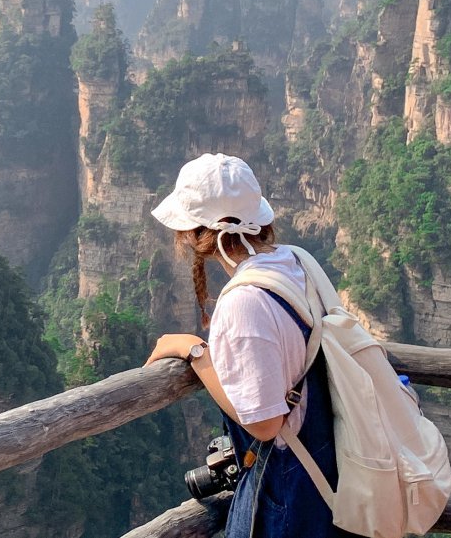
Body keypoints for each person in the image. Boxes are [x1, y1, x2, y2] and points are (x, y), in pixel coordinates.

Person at [144, 153, 350, 538]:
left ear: (197, 235)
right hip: (329, 466)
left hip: (290, 497)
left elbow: (267, 423)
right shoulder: (296, 262)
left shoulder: (243, 302)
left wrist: (195, 353)